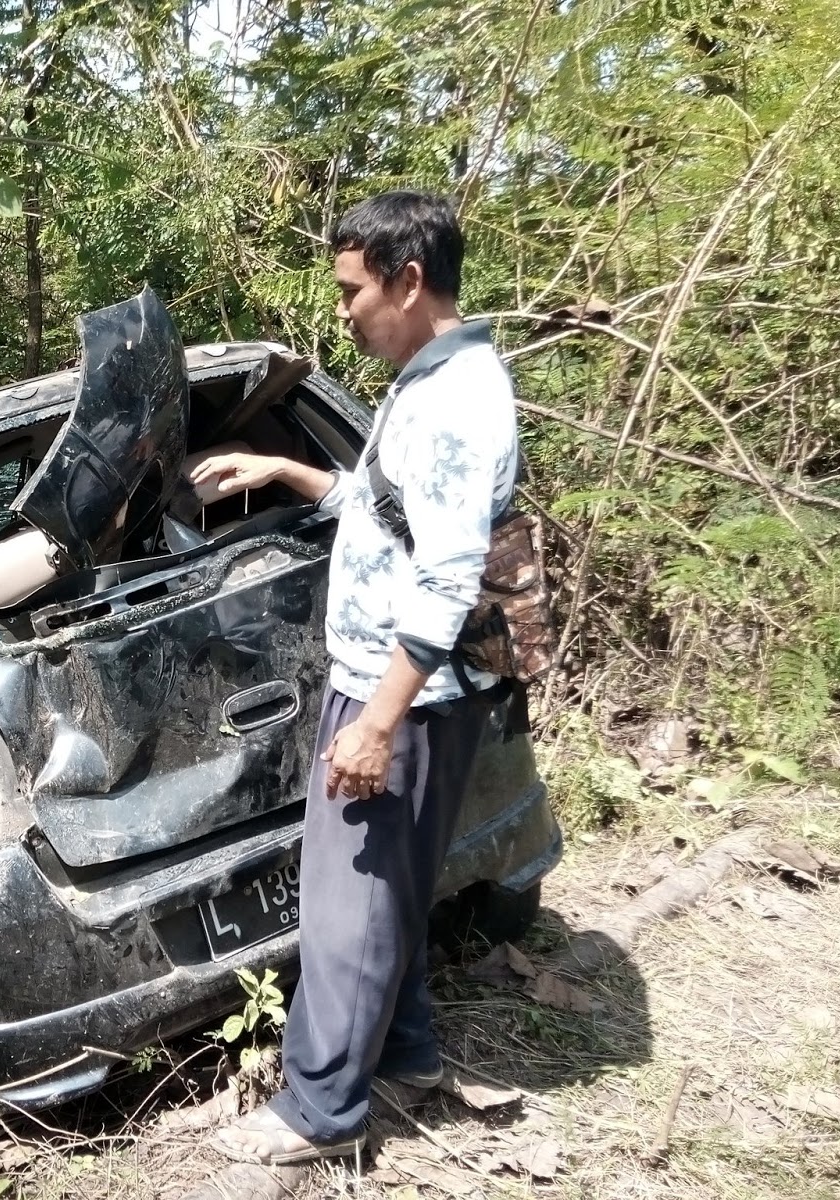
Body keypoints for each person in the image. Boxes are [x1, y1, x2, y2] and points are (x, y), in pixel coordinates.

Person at [199, 192, 520, 1165]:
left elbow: (447, 572)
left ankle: (317, 1116)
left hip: (405, 695)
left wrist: (377, 723)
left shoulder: (459, 398)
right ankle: (407, 1055)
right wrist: (287, 472)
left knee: (344, 909)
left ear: (407, 281)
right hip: (396, 685)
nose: (341, 312)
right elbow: (392, 514)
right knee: (386, 892)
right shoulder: (429, 381)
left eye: (351, 291)